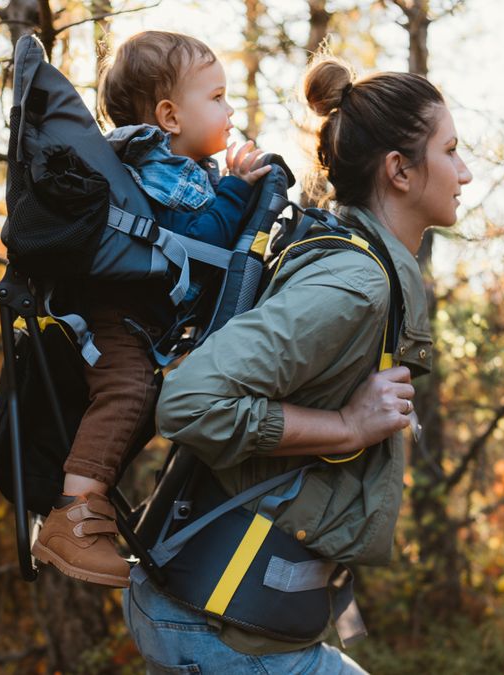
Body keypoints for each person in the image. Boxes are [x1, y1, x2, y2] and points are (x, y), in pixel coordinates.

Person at [123, 55, 472, 673]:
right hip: (216, 627)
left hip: (235, 618)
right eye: (450, 151)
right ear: (399, 171)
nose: (465, 172)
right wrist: (348, 427)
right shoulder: (354, 282)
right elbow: (189, 401)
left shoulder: (365, 264)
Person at [0, 30, 273, 589]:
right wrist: (238, 191)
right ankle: (73, 521)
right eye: (219, 96)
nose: (230, 109)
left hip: (121, 316)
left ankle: (5, 437)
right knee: (129, 394)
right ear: (170, 116)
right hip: (117, 319)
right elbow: (191, 240)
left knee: (140, 399)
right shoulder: (160, 164)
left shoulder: (169, 164)